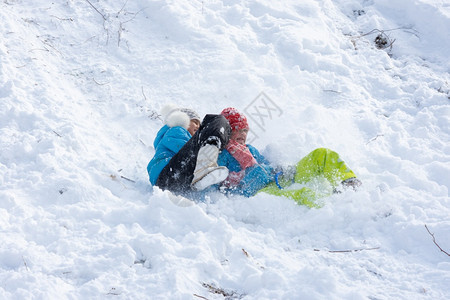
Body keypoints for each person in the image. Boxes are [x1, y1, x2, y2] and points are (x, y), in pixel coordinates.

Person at [218, 107, 361, 207]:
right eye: (237, 130)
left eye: (245, 130)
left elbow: (265, 165)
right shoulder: (222, 155)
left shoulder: (250, 150)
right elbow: (219, 186)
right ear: (227, 131)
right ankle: (334, 209)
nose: (243, 134)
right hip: (260, 193)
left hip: (278, 180)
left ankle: (348, 184)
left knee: (321, 154)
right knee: (305, 194)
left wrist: (280, 169)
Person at [147, 104, 232, 196]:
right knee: (217, 120)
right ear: (183, 121)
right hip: (167, 174)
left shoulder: (177, 136)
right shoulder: (177, 130)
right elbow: (182, 148)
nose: (197, 126)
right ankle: (205, 168)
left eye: (199, 124)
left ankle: (203, 176)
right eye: (195, 122)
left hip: (174, 179)